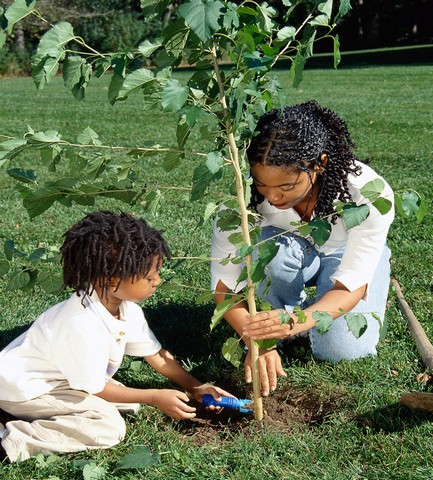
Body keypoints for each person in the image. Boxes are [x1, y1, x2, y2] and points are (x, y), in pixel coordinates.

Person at [0, 210, 232, 462]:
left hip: (62, 379)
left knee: (128, 402)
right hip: (24, 390)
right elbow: (98, 388)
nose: (158, 281)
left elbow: (155, 355)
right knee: (108, 427)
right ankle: (11, 440)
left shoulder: (125, 309)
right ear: (112, 282)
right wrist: (154, 396)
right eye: (149, 277)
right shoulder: (81, 325)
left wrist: (196, 387)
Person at [211, 100, 394, 397]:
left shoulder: (368, 193)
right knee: (273, 251)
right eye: (261, 185)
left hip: (343, 257)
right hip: (287, 254)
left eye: (286, 187)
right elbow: (225, 286)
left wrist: (292, 323)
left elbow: (351, 286)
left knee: (342, 350)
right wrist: (259, 340)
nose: (271, 197)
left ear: (319, 164)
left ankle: (300, 317)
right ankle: (278, 321)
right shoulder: (240, 202)